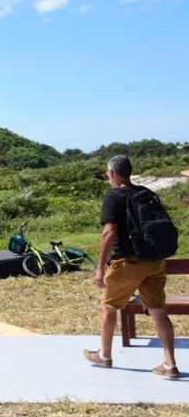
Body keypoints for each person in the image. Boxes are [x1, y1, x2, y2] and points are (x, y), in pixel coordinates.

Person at [84, 155, 179, 377]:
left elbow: (109, 232)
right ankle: (169, 363)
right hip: (154, 262)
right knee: (158, 311)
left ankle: (104, 356)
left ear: (112, 174)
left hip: (127, 263)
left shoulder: (114, 196)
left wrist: (99, 268)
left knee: (109, 308)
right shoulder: (145, 192)